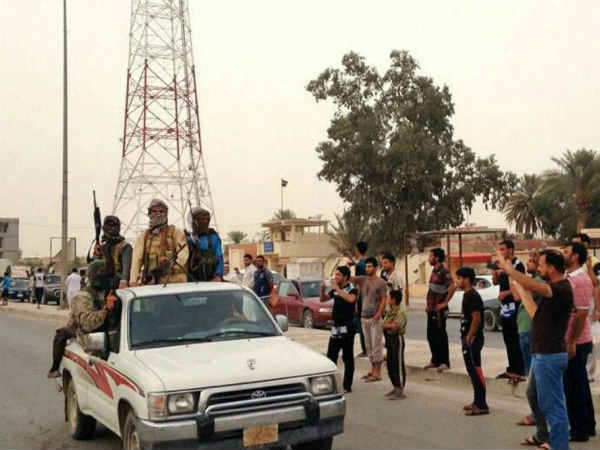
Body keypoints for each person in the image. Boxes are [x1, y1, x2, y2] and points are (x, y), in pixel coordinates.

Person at [501, 249, 573, 450]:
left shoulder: (560, 288)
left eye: (541, 265)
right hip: (542, 355)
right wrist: (520, 288)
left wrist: (510, 270)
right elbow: (533, 312)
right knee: (533, 394)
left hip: (549, 356)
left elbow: (533, 284)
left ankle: (559, 445)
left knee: (554, 406)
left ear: (551, 268)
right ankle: (544, 435)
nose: (539, 269)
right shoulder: (553, 290)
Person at [47, 260, 116, 378]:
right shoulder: (83, 296)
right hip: (82, 332)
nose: (108, 278)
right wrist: (105, 310)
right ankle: (54, 368)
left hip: (108, 334)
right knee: (61, 334)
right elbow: (86, 324)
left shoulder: (108, 292)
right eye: (104, 274)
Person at [562, 242, 596, 442]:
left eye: (566, 252)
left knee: (574, 387)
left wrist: (571, 341)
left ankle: (579, 430)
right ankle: (587, 425)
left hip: (577, 341)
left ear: (575, 256)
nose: (563, 255)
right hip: (574, 340)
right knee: (579, 384)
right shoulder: (571, 278)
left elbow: (582, 313)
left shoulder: (580, 280)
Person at [130, 199, 188, 285]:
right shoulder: (144, 236)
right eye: (154, 211)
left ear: (166, 214)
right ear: (149, 214)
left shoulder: (175, 232)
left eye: (161, 211)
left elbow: (183, 253)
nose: (158, 214)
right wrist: (133, 281)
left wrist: (171, 266)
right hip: (152, 283)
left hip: (175, 281)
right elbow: (136, 260)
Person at [455, 267, 489, 416]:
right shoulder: (467, 295)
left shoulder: (473, 296)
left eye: (459, 278)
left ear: (466, 279)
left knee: (475, 371)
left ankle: (482, 405)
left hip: (473, 339)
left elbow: (477, 318)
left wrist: (469, 337)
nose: (457, 281)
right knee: (472, 371)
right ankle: (477, 401)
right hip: (468, 337)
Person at [517, 251, 544, 428]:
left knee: (534, 380)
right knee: (531, 376)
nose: (528, 264)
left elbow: (517, 295)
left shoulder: (539, 283)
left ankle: (538, 415)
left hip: (530, 331)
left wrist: (512, 274)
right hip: (525, 331)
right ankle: (537, 414)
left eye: (532, 261)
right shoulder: (533, 281)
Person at [321, 266, 357, 393]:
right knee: (331, 356)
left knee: (347, 357)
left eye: (338, 275)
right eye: (335, 275)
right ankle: (331, 384)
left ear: (345, 277)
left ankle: (347, 385)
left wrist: (337, 289)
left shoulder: (352, 288)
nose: (335, 277)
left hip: (347, 327)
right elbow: (323, 299)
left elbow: (351, 299)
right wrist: (322, 289)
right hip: (336, 327)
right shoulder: (335, 289)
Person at [493, 240, 526, 380]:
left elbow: (520, 286)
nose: (500, 252)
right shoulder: (502, 266)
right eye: (499, 250)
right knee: (507, 338)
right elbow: (495, 282)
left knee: (515, 338)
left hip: (514, 305)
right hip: (505, 307)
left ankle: (519, 369)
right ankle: (511, 368)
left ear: (511, 250)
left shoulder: (518, 265)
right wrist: (495, 271)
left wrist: (506, 293)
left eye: (503, 249)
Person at [353, 257, 387, 382]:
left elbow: (384, 299)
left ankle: (377, 373)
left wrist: (379, 313)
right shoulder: (363, 280)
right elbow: (349, 278)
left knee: (376, 345)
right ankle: (373, 371)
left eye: (370, 266)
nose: (367, 269)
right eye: (366, 266)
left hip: (374, 318)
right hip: (364, 317)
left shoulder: (381, 282)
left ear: (376, 268)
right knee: (368, 346)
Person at [425, 248, 455, 372]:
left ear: (436, 258)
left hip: (439, 310)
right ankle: (435, 360)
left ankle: (444, 362)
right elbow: (432, 290)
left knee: (440, 335)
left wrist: (445, 303)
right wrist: (428, 305)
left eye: (430, 256)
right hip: (431, 309)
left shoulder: (444, 271)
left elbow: (452, 286)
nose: (429, 258)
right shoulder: (434, 270)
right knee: (431, 335)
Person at [93, 215, 132, 289]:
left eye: (114, 226)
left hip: (119, 283)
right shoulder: (102, 247)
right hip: (104, 284)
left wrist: (124, 281)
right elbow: (95, 268)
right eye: (109, 226)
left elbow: (126, 269)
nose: (112, 229)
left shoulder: (125, 246)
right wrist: (96, 254)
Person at [186, 207, 224, 282]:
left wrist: (218, 275)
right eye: (202, 219)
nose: (206, 221)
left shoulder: (213, 237)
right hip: (192, 280)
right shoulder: (188, 238)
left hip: (212, 279)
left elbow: (219, 257)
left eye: (207, 219)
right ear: (194, 222)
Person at [383, 289, 407, 400]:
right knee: (390, 363)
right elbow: (385, 324)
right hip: (389, 339)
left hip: (397, 339)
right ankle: (395, 386)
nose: (387, 299)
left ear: (393, 300)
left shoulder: (400, 312)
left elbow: (395, 326)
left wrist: (386, 325)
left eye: (389, 297)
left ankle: (400, 389)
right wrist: (387, 325)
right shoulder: (390, 311)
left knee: (398, 364)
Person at [347, 241, 369, 357]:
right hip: (370, 295)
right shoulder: (367, 262)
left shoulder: (359, 265)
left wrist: (356, 301)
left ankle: (365, 350)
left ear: (357, 250)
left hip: (362, 296)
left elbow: (358, 283)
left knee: (361, 324)